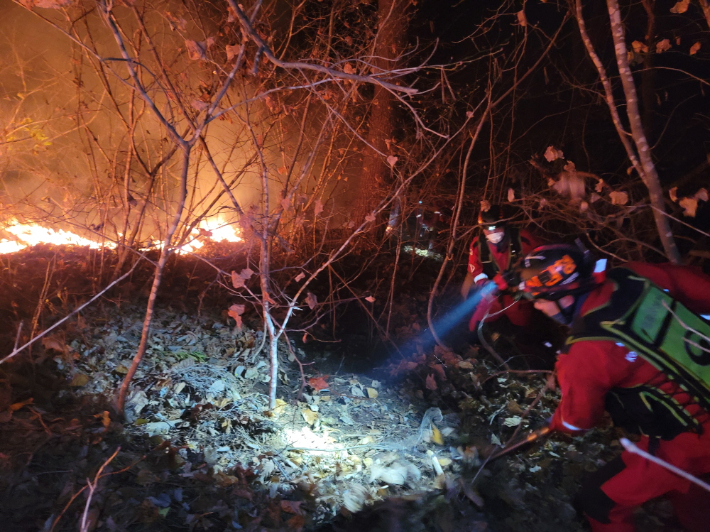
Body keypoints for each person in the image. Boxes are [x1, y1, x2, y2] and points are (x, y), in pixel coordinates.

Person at [518, 243, 710, 532]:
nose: (535, 305)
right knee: (691, 490)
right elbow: (700, 288)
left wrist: (557, 419)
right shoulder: (633, 274)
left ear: (564, 297)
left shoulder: (585, 349)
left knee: (599, 501)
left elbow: (577, 421)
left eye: (539, 299)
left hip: (692, 440)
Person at [461, 204, 544, 341]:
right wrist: (484, 284)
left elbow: (543, 259)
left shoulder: (523, 239)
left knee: (524, 332)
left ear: (505, 224)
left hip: (518, 299)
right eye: (487, 229)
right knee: (475, 327)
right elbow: (474, 269)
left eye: (496, 227)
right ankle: (476, 349)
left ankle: (520, 351)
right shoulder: (478, 245)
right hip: (491, 296)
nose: (492, 233)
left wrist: (524, 280)